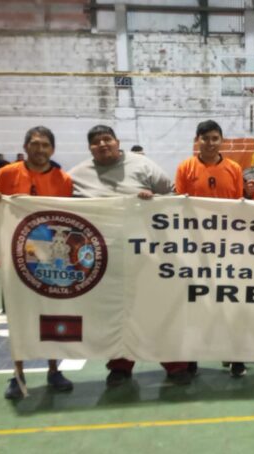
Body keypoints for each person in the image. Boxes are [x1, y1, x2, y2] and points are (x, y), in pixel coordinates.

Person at [68, 125, 174, 387]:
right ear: (90, 148)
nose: (103, 144)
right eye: (96, 142)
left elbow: (171, 194)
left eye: (107, 139)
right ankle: (120, 366)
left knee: (157, 309)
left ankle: (175, 364)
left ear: (117, 142)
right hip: (104, 259)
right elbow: (53, 204)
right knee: (115, 314)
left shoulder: (143, 165)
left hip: (147, 254)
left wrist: (154, 202)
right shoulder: (76, 176)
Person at [0, 126, 75, 400]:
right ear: (26, 147)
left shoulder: (63, 179)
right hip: (16, 259)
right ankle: (18, 374)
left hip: (50, 262)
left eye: (45, 145)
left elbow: (68, 217)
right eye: (35, 144)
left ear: (53, 149)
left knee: (52, 315)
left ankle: (54, 370)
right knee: (18, 317)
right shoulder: (7, 173)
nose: (40, 149)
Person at [171, 120, 244, 383]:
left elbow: (239, 207)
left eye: (215, 138)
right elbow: (179, 205)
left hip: (227, 247)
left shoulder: (234, 169)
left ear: (221, 140)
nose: (210, 143)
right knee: (195, 302)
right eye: (205, 138)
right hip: (195, 246)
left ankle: (235, 355)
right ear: (197, 140)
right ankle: (192, 356)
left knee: (230, 302)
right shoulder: (185, 167)